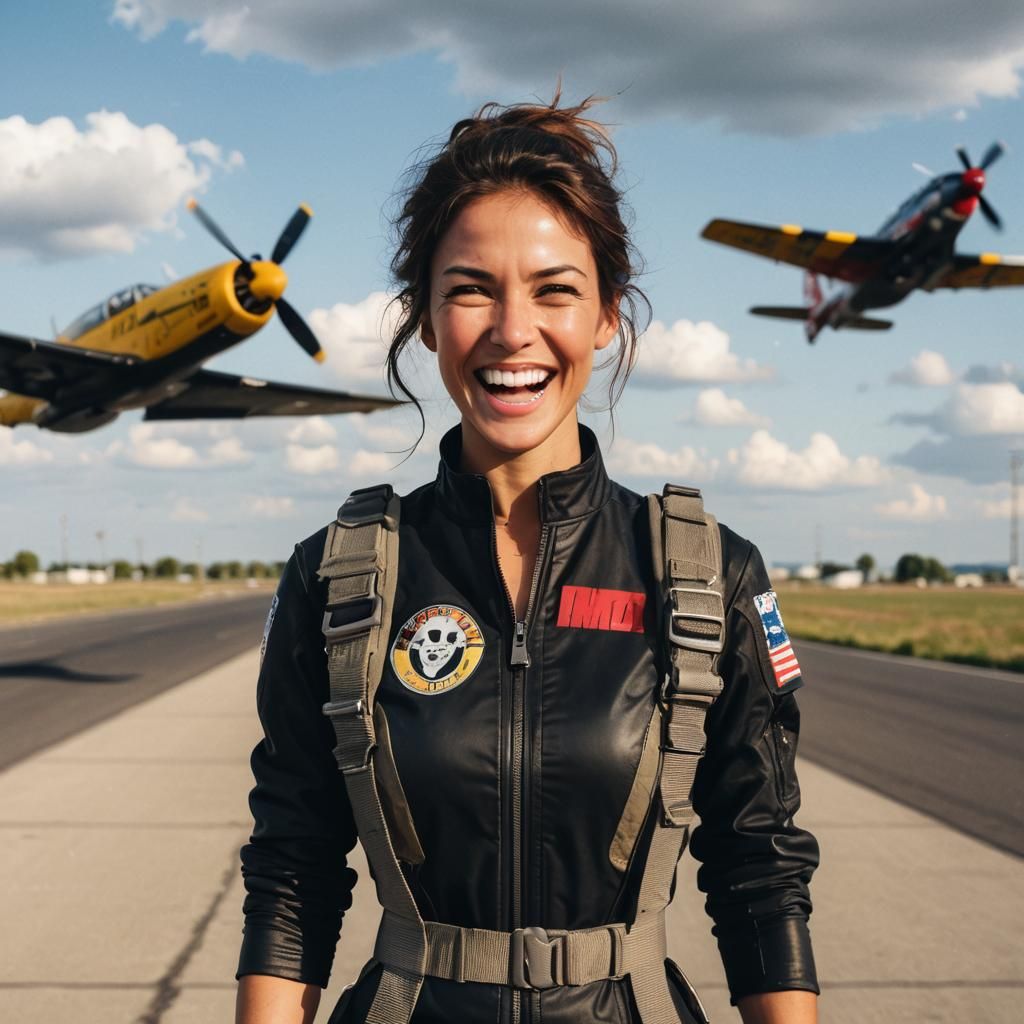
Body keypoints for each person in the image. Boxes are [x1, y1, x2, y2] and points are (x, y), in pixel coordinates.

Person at [235, 96, 820, 1024]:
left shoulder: (708, 576)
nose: (513, 330)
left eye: (555, 290)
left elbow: (761, 866)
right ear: (425, 318)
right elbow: (292, 866)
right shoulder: (339, 578)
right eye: (470, 288)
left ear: (605, 318)